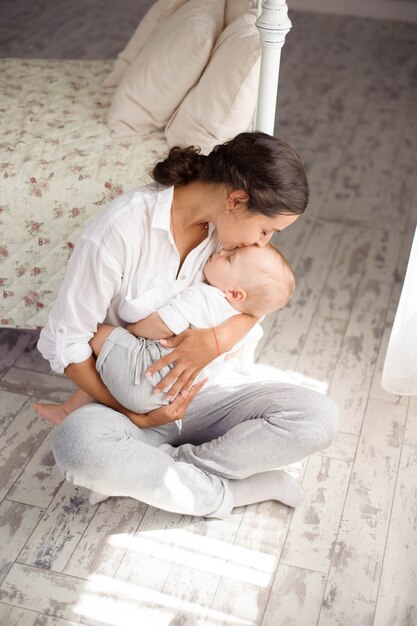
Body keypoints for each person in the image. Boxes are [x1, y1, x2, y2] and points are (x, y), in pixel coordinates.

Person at [37, 132, 339, 518]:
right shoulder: (119, 232)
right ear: (236, 200)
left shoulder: (231, 240)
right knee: (78, 448)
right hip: (127, 399)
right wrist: (137, 416)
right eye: (266, 231)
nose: (264, 244)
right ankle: (235, 491)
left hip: (209, 395)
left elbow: (255, 302)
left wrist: (215, 340)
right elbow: (68, 344)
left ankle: (157, 475)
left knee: (318, 418)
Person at [37, 243, 295, 432]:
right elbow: (242, 364)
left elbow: (161, 325)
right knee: (111, 357)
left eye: (229, 259)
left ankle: (77, 409)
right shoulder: (252, 327)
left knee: (98, 333)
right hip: (171, 397)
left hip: (144, 375)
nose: (221, 252)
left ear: (235, 293)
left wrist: (131, 332)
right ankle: (76, 410)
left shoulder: (205, 297)